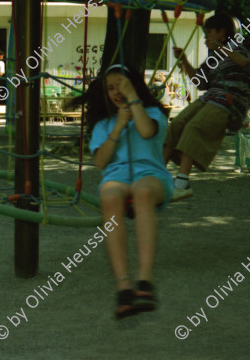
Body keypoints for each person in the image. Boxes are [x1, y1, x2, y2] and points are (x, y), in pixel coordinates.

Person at [82, 64, 173, 319]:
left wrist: (133, 100)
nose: (116, 92)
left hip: (151, 174)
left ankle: (144, 281)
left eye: (121, 85)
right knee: (108, 195)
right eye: (110, 88)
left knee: (143, 192)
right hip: (117, 176)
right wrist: (119, 125)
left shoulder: (153, 113)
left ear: (133, 85)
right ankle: (124, 288)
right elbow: (100, 163)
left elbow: (145, 131)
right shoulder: (104, 123)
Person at [163, 14, 250, 201]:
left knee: (194, 128)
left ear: (222, 33)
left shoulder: (237, 50)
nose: (205, 39)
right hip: (211, 97)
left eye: (208, 34)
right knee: (177, 124)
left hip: (230, 102)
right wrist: (184, 61)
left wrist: (220, 48)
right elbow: (199, 82)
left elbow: (243, 63)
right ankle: (155, 174)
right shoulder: (213, 58)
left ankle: (182, 183)